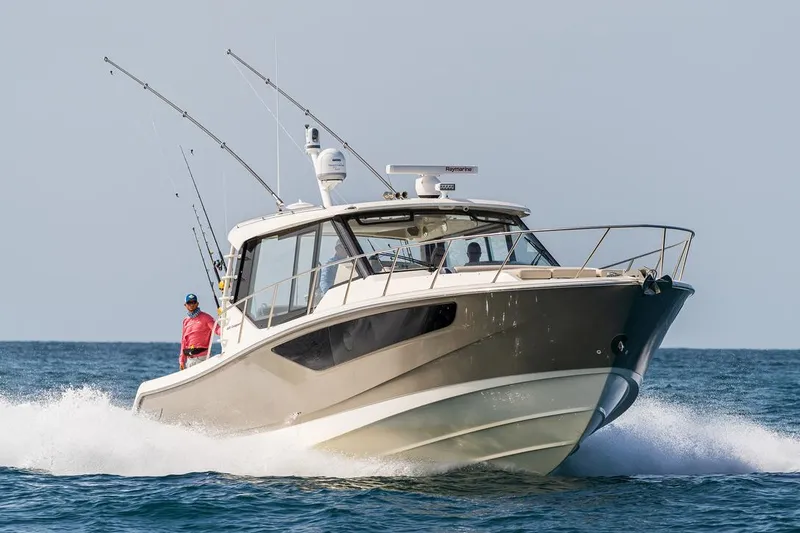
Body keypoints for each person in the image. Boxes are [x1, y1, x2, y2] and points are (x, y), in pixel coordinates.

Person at [179, 293, 220, 370]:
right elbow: (184, 341)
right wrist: (181, 360)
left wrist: (226, 330)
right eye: (189, 303)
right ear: (185, 305)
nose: (191, 304)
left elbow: (217, 329)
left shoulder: (206, 317)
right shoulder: (185, 321)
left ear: (197, 303)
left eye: (193, 302)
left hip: (202, 358)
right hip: (189, 360)